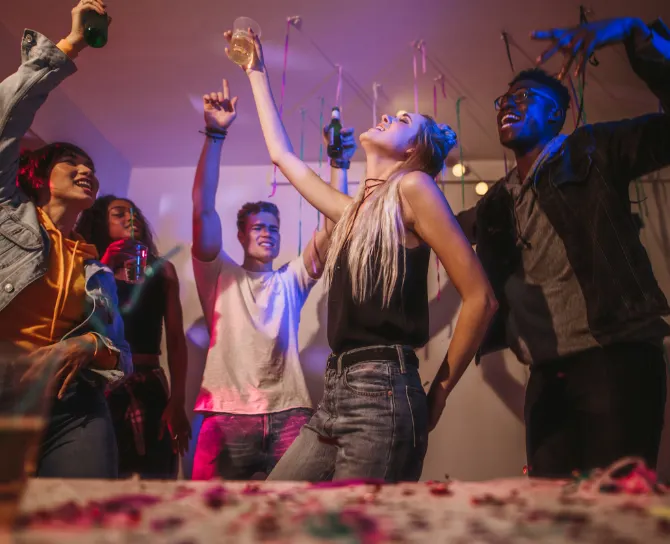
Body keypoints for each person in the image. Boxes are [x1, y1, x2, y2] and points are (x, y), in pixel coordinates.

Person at [230, 30, 497, 482]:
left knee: (357, 529)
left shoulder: (414, 188)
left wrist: (442, 392)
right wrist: (255, 71)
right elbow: (283, 156)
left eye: (403, 118)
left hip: (382, 389)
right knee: (273, 508)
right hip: (337, 391)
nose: (389, 114)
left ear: (414, 149)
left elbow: (480, 298)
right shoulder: (354, 213)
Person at [457, 16, 670, 478]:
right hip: (546, 377)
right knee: (553, 515)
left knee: (618, 513)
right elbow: (432, 230)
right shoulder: (495, 203)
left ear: (556, 115)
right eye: (503, 100)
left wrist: (639, 37)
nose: (507, 105)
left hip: (615, 359)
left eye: (523, 98)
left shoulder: (591, 150)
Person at [190, 79, 348, 480]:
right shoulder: (219, 275)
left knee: (298, 522)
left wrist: (339, 167)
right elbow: (202, 210)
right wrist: (215, 133)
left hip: (290, 413)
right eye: (257, 227)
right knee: (205, 521)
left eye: (273, 228)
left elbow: (335, 225)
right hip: (224, 414)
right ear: (241, 235)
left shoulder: (290, 280)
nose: (266, 233)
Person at [0, 0, 131, 478]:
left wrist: (85, 347)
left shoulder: (93, 266)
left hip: (68, 400)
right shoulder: (6, 214)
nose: (86, 170)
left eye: (91, 168)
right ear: (37, 175)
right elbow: (4, 121)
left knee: (82, 518)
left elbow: (121, 352)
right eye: (71, 162)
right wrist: (70, 44)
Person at [76, 196, 191, 478]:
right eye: (119, 214)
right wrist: (105, 263)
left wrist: (177, 401)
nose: (131, 218)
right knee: (100, 474)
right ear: (100, 222)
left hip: (148, 382)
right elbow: (79, 323)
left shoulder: (162, 269)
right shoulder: (85, 265)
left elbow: (176, 339)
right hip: (98, 383)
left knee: (156, 472)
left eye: (135, 213)